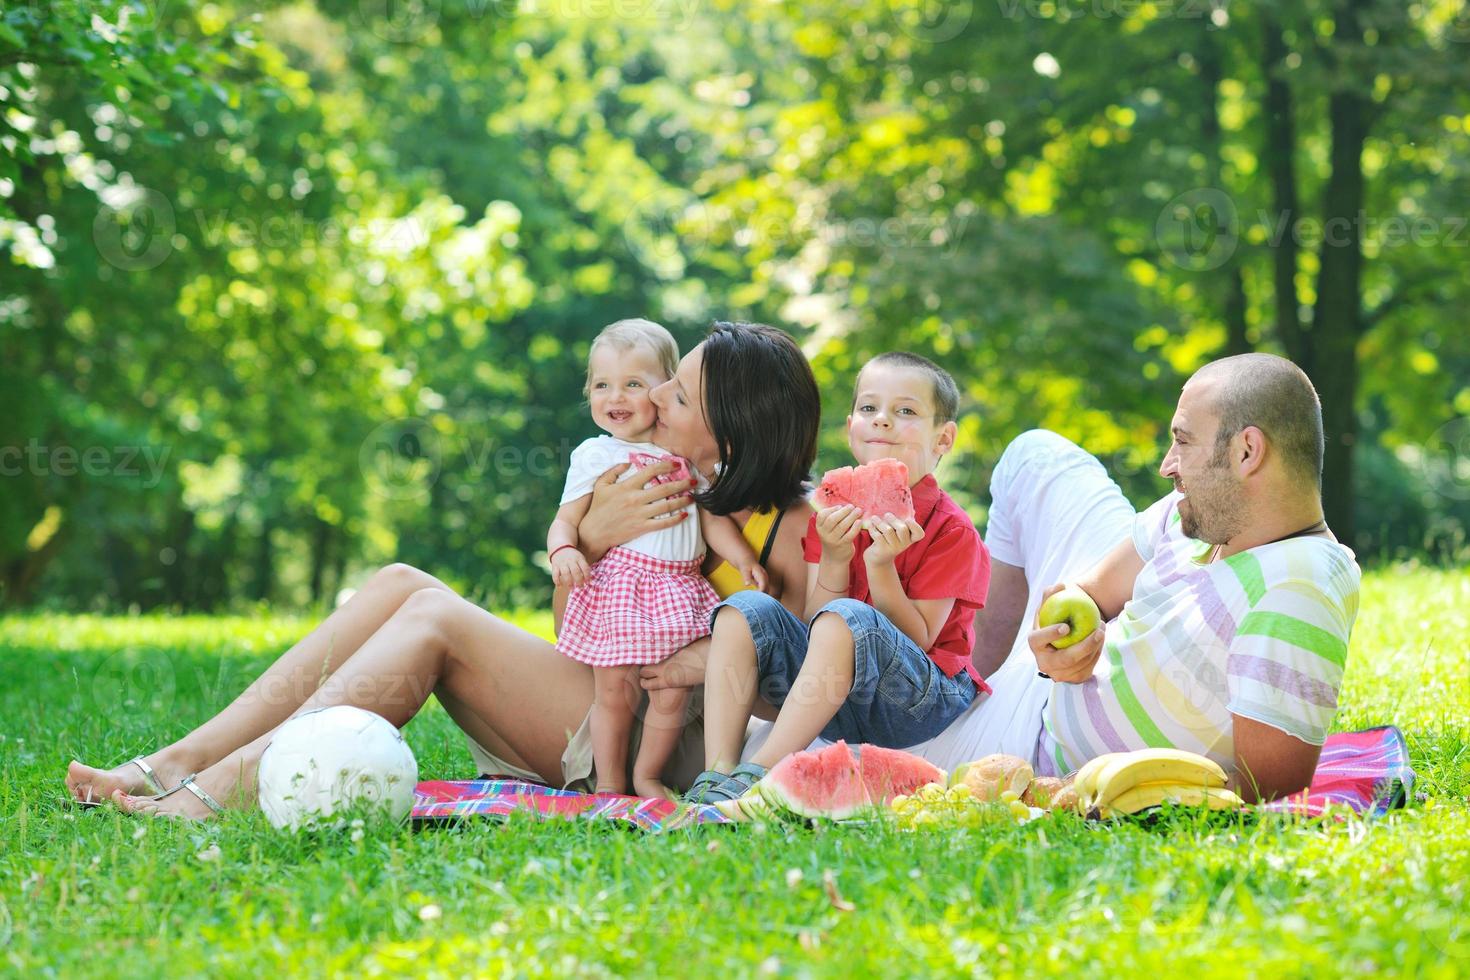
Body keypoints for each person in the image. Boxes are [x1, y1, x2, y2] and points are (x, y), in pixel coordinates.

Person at [63, 321, 820, 820]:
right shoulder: (660, 481)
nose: (652, 396)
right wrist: (586, 543)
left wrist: (702, 653)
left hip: (667, 745)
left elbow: (818, 678)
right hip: (600, 689)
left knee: (436, 620)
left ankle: (219, 794)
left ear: (728, 423)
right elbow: (576, 633)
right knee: (399, 581)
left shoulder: (792, 519)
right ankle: (176, 763)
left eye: (675, 391)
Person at [727, 353, 1361, 803]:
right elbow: (1089, 589)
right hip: (1034, 684)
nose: (1167, 465)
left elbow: (1268, 786)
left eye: (1183, 443)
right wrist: (1068, 627)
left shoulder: (1297, 584)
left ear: (1248, 452)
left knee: (784, 734)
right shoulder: (1194, 514)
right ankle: (971, 671)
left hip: (1028, 743)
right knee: (1035, 452)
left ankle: (938, 710)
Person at [683, 352, 991, 803]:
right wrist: (833, 555)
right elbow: (814, 623)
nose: (882, 421)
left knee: (847, 614)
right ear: (851, 427)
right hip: (837, 694)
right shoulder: (829, 513)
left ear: (943, 438)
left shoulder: (951, 530)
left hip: (919, 701)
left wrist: (880, 567)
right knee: (743, 609)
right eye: (869, 408)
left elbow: (921, 640)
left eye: (905, 411)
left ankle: (758, 776)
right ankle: (717, 774)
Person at [549, 318, 766, 800]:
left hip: (681, 588)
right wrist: (564, 549)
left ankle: (647, 776)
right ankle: (608, 783)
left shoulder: (681, 453)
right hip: (623, 589)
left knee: (672, 692)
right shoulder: (595, 455)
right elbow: (566, 518)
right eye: (602, 385)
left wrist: (743, 557)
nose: (616, 398)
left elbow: (710, 519)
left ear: (664, 389)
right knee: (615, 693)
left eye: (633, 384)